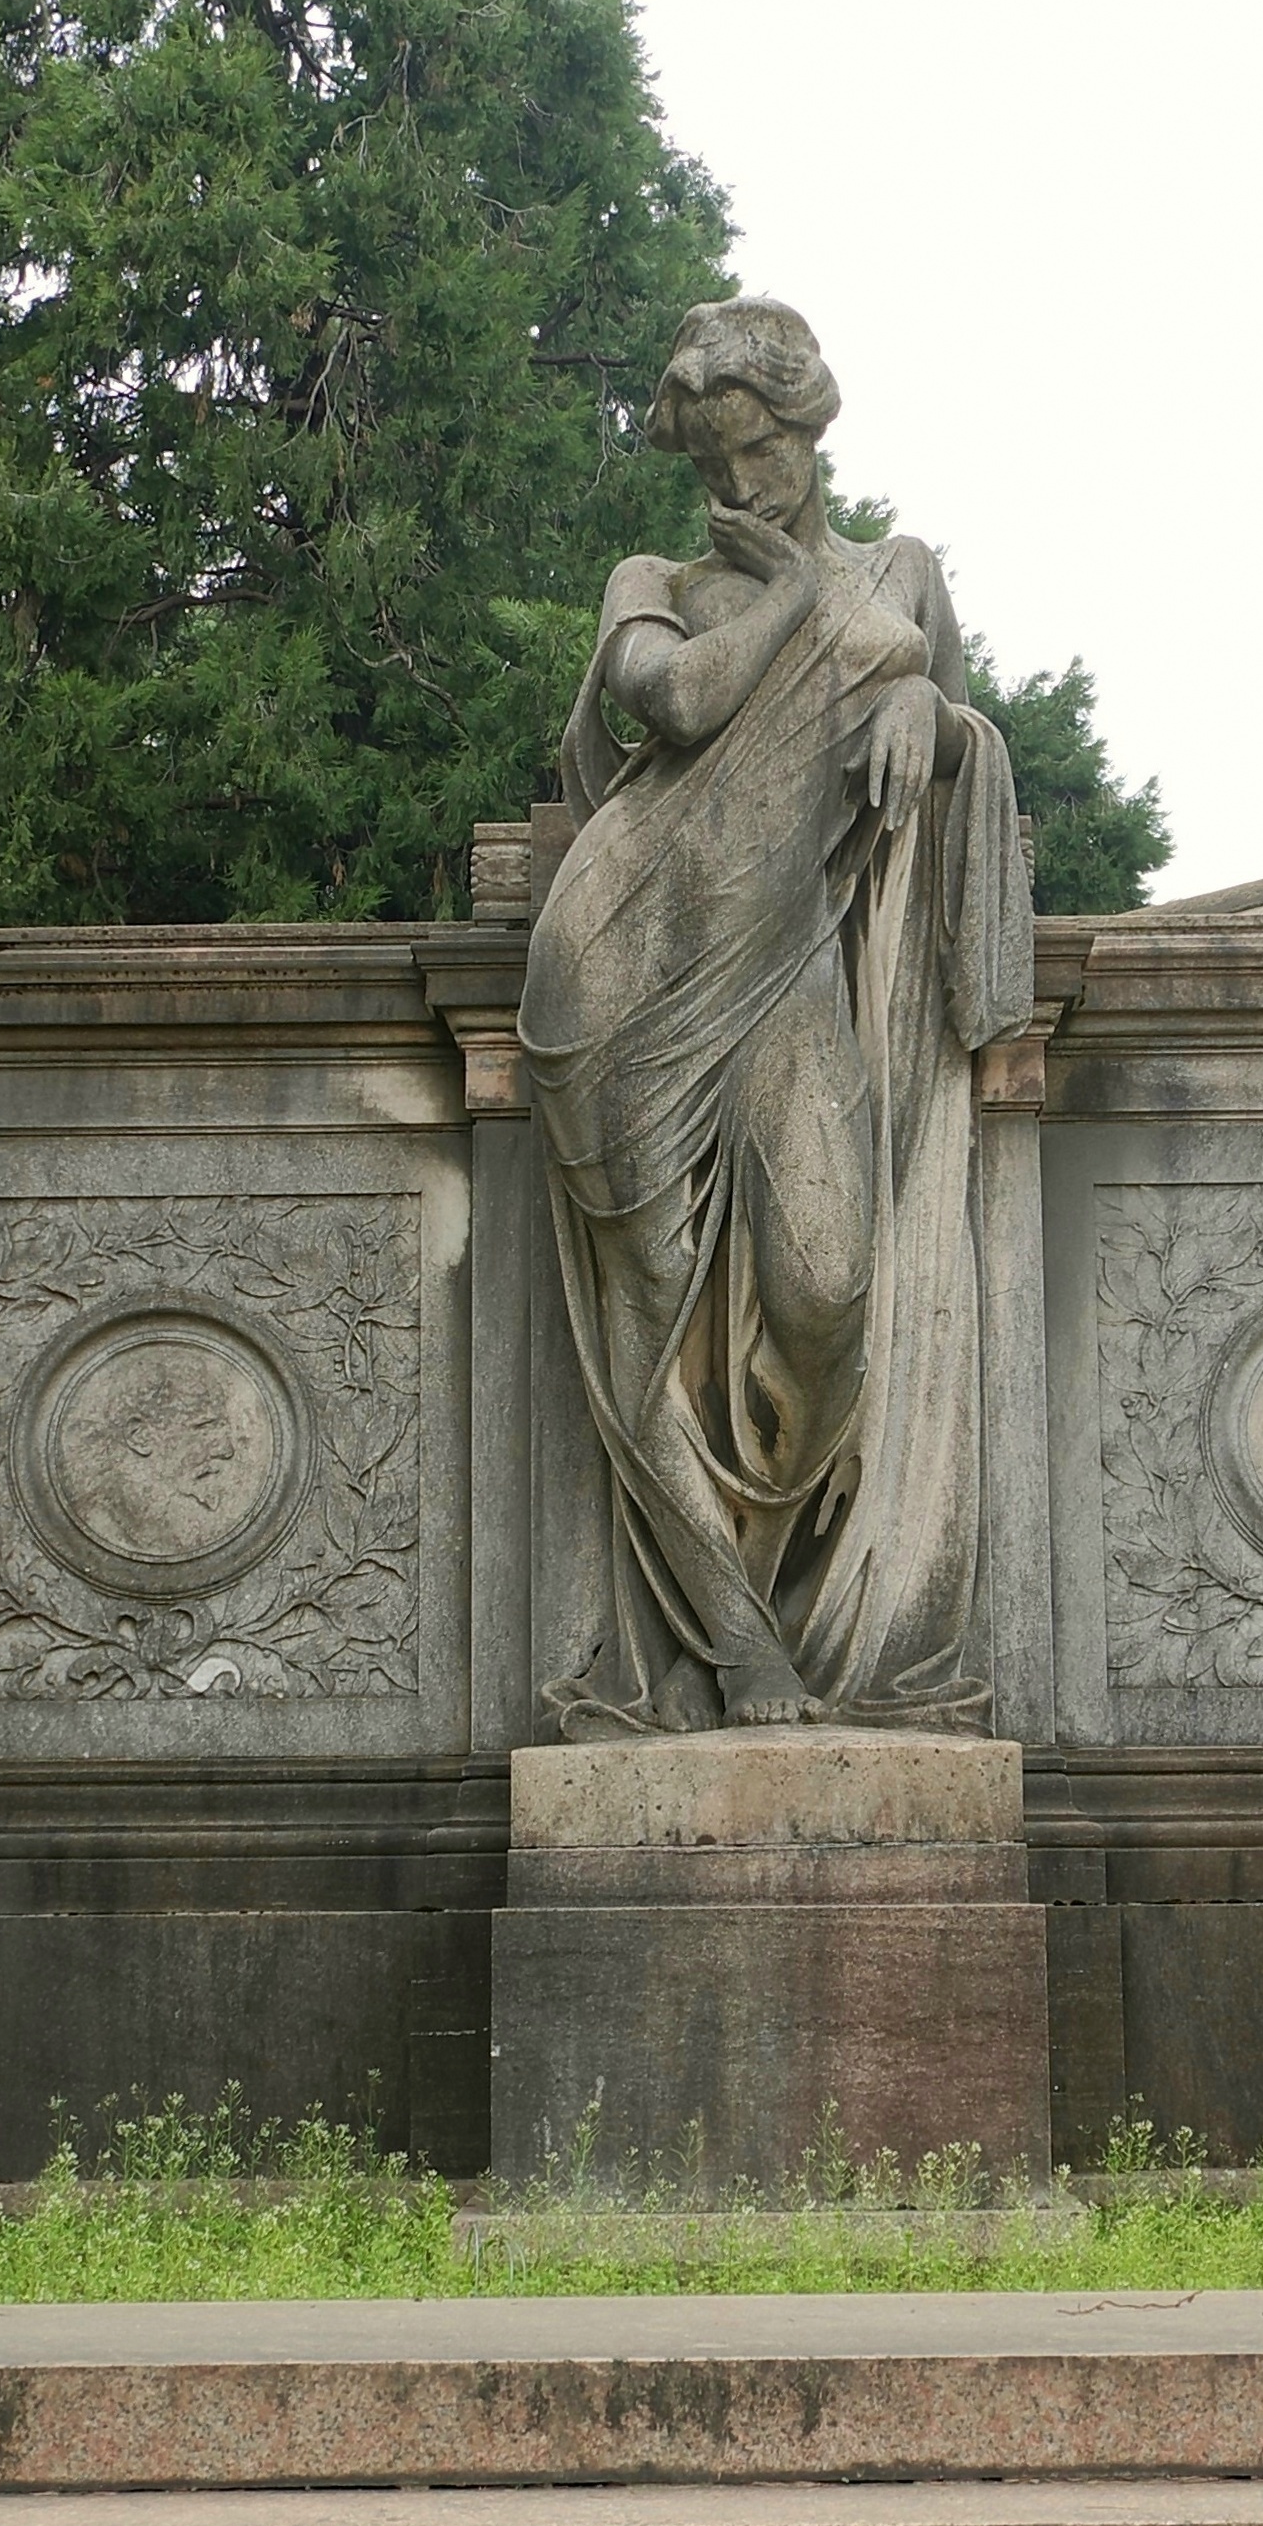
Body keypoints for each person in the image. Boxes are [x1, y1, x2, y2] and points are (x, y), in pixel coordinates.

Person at [517, 299, 1031, 1732]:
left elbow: (959, 736)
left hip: (790, 968)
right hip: (616, 973)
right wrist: (795, 597)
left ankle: (788, 1599)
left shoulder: (904, 572)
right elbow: (674, 704)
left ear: (809, 431)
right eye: (715, 462)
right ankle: (738, 1651)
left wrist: (936, 719)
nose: (739, 488)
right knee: (644, 1335)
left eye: (759, 453)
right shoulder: (660, 579)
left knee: (826, 1290)